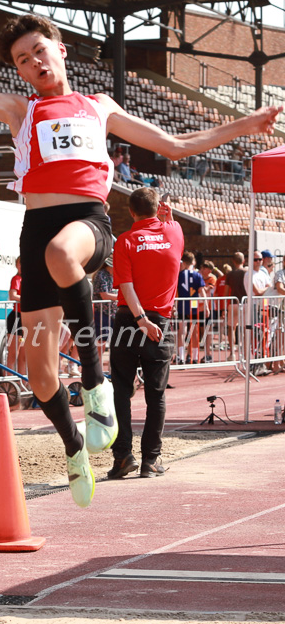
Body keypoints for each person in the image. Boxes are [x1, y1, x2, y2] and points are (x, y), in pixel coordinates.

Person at [0, 15, 281, 509]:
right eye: (21, 60)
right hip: (35, 230)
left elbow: (176, 145)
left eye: (38, 51)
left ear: (59, 49)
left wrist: (246, 126)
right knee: (38, 373)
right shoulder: (21, 111)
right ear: (18, 71)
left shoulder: (99, 107)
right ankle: (75, 448)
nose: (33, 62)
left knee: (63, 252)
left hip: (87, 224)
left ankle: (95, 382)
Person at [109, 188, 183, 479]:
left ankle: (123, 457)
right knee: (156, 395)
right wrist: (169, 218)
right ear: (158, 208)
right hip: (159, 323)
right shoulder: (174, 233)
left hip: (130, 320)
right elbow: (172, 226)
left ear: (131, 211)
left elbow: (125, 285)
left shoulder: (125, 240)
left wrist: (140, 318)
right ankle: (151, 460)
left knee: (121, 393)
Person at [176, 252, 207, 365]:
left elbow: (176, 291)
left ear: (183, 263)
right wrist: (206, 306)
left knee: (182, 331)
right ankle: (194, 357)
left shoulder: (179, 275)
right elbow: (201, 291)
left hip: (182, 303)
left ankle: (181, 357)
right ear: (193, 262)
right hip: (193, 303)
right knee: (194, 331)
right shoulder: (197, 275)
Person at [92, 255, 118, 368]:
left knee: (115, 342)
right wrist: (122, 297)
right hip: (102, 312)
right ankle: (97, 367)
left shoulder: (115, 275)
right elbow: (104, 295)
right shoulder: (101, 275)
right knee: (101, 341)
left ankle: (111, 369)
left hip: (114, 312)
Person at [6, 256, 27, 375]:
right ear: (16, 265)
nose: (22, 266)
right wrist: (28, 299)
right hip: (16, 318)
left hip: (27, 318)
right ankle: (9, 381)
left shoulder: (30, 280)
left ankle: (21, 382)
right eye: (20, 263)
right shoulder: (16, 279)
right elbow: (12, 295)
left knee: (24, 355)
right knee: (13, 353)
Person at [224, 251, 247, 361]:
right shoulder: (246, 272)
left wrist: (224, 307)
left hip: (233, 302)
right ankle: (243, 353)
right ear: (244, 261)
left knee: (231, 328)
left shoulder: (230, 275)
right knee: (244, 328)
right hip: (245, 302)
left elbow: (226, 291)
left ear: (233, 261)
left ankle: (232, 353)